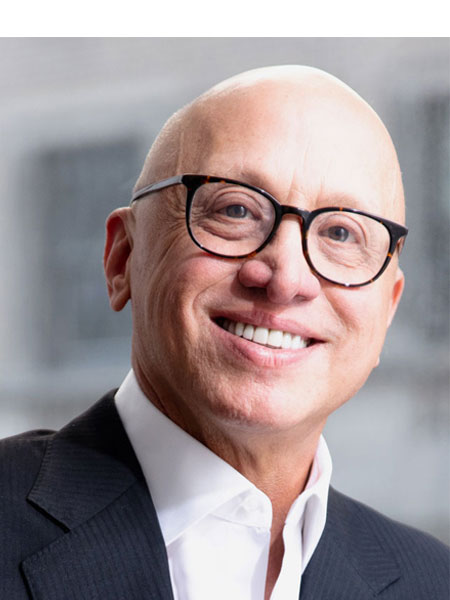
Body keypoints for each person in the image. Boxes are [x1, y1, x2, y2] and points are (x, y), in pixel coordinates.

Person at [1, 65, 448, 600]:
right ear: (123, 258)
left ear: (388, 309)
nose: (286, 279)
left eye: (341, 233)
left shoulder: (434, 581)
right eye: (236, 210)